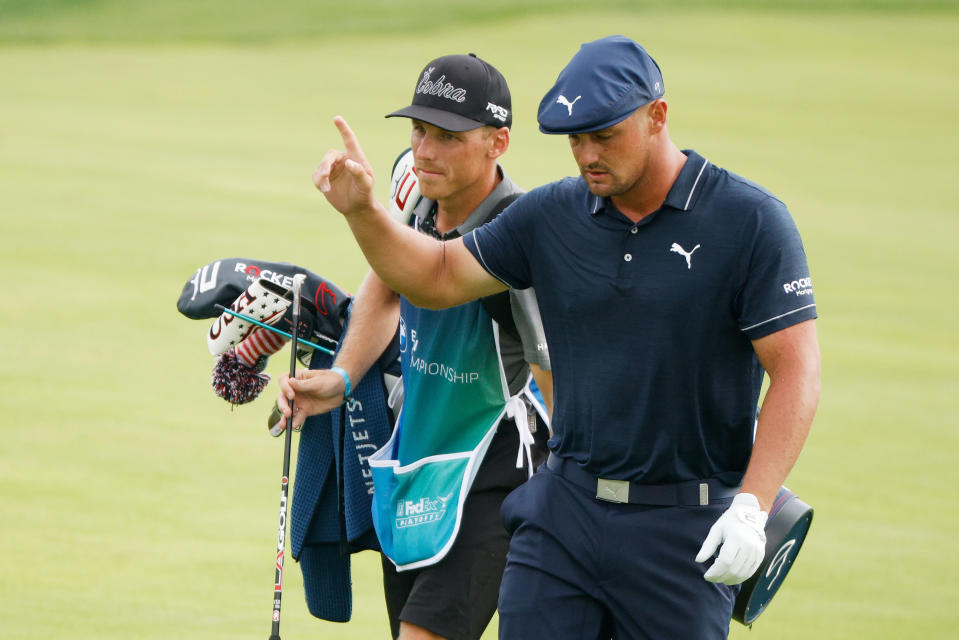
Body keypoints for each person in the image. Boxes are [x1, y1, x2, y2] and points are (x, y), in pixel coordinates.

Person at [303, 34, 821, 639]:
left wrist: (752, 508)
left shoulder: (749, 221)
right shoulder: (552, 216)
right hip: (563, 513)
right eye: (576, 139)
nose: (588, 155)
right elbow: (436, 276)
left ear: (657, 117)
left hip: (685, 525)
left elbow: (796, 371)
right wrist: (363, 213)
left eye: (605, 135)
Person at [278, 53, 552, 640]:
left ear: (496, 142)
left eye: (448, 137)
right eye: (419, 131)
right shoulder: (424, 206)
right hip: (422, 464)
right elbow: (383, 291)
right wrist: (343, 379)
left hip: (495, 470)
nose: (425, 151)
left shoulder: (519, 232)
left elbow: (555, 371)